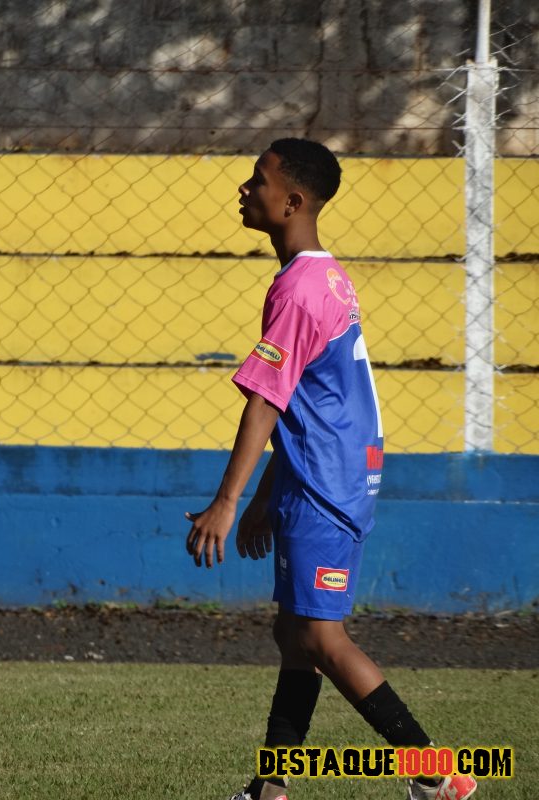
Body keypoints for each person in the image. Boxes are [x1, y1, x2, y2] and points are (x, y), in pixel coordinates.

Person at [185, 138, 477, 800]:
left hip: (325, 484)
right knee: (294, 633)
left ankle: (437, 776)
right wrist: (268, 493)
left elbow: (267, 400)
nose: (244, 189)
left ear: (292, 202)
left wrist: (227, 502)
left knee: (320, 636)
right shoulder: (324, 277)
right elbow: (308, 399)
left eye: (257, 180)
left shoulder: (298, 289)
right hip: (322, 474)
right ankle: (270, 788)